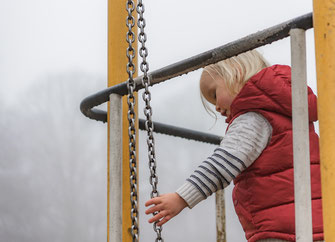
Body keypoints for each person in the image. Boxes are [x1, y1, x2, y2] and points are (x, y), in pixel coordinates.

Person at [145, 50, 323, 242]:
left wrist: (181, 198)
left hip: (279, 230)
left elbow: (222, 164)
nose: (217, 108)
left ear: (236, 73)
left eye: (214, 94)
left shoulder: (253, 118)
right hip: (314, 224)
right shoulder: (289, 114)